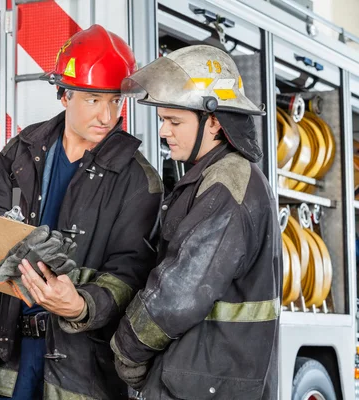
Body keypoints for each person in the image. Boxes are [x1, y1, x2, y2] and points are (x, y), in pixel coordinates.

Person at [0, 25, 163, 400]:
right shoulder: (21, 152)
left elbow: (133, 270)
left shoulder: (139, 180)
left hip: (81, 367)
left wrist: (82, 304)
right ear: (64, 94)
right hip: (8, 353)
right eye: (93, 99)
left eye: (115, 101)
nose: (107, 115)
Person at [110, 44, 281, 400]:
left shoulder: (227, 183)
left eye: (175, 121)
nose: (163, 132)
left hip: (204, 385)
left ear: (215, 121)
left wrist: (127, 348)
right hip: (201, 380)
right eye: (163, 120)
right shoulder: (211, 178)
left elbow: (178, 293)